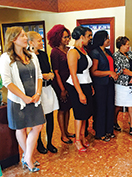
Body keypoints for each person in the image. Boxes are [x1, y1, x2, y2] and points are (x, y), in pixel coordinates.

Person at [0, 27, 45, 172]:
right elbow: (7, 82)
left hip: (34, 97)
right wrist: (23, 97)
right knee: (21, 128)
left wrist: (38, 93)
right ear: (13, 39)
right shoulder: (5, 57)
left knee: (38, 126)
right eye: (23, 36)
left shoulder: (32, 55)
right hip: (18, 100)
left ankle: (26, 157)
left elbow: (39, 76)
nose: (26, 38)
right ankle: (29, 159)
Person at [27, 31, 59, 154]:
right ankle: (39, 143)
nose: (42, 42)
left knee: (50, 116)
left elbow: (47, 69)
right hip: (37, 90)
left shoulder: (43, 54)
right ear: (31, 43)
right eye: (39, 40)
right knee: (39, 119)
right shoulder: (28, 57)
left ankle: (49, 142)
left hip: (47, 88)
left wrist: (49, 74)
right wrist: (43, 76)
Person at [66, 26, 94, 152]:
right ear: (81, 37)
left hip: (86, 83)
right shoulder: (73, 52)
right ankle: (77, 140)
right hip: (76, 86)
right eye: (88, 36)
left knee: (86, 113)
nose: (90, 39)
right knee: (79, 114)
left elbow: (86, 70)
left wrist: (90, 85)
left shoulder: (83, 50)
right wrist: (80, 93)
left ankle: (82, 136)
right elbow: (73, 74)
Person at [47, 24, 74, 144]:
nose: (67, 39)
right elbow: (56, 72)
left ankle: (67, 131)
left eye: (68, 37)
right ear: (58, 38)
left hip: (70, 82)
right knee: (62, 109)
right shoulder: (55, 52)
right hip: (60, 83)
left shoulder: (69, 50)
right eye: (64, 37)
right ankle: (63, 134)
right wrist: (62, 89)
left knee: (68, 108)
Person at [90, 30, 118, 141]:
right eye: (107, 38)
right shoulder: (95, 52)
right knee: (101, 108)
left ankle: (109, 130)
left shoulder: (108, 52)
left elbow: (110, 66)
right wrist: (109, 73)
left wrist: (114, 71)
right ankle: (100, 132)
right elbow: (94, 71)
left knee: (110, 107)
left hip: (109, 83)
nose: (109, 40)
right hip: (100, 84)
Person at [113, 36, 132, 135]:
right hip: (121, 84)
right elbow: (121, 69)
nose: (129, 46)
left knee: (131, 105)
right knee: (118, 105)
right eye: (127, 44)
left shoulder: (130, 53)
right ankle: (114, 122)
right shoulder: (116, 55)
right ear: (121, 45)